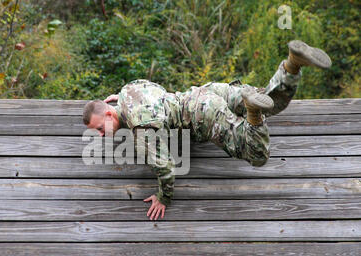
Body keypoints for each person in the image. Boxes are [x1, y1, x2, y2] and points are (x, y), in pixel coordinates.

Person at [82, 40, 332, 220]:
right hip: (207, 91)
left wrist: (163, 197)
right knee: (271, 101)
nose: (102, 135)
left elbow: (166, 168)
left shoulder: (141, 131)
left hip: (203, 114)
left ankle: (253, 115)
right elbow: (149, 93)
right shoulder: (129, 89)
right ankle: (291, 65)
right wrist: (121, 102)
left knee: (257, 154)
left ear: (108, 112)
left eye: (100, 129)